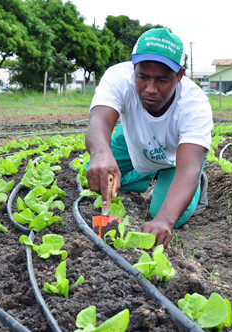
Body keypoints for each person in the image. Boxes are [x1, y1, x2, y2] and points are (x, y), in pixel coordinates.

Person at [85, 28, 213, 247]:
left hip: (177, 156)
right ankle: (148, 172)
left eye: (162, 80)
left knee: (163, 214)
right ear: (133, 69)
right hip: (132, 138)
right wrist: (101, 154)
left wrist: (164, 220)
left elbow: (188, 168)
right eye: (142, 77)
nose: (150, 89)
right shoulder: (118, 77)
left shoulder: (195, 105)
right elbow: (99, 120)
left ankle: (190, 184)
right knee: (98, 175)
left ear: (179, 76)